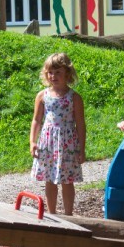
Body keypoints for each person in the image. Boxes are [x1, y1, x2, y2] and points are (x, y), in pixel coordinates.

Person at [30, 52, 86, 215]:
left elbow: (81, 125)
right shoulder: (42, 96)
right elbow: (36, 120)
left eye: (58, 72)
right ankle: (52, 213)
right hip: (47, 143)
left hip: (67, 143)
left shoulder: (74, 97)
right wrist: (32, 142)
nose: (53, 76)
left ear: (67, 74)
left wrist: (81, 149)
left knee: (67, 180)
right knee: (49, 179)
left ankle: (69, 214)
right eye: (50, 72)